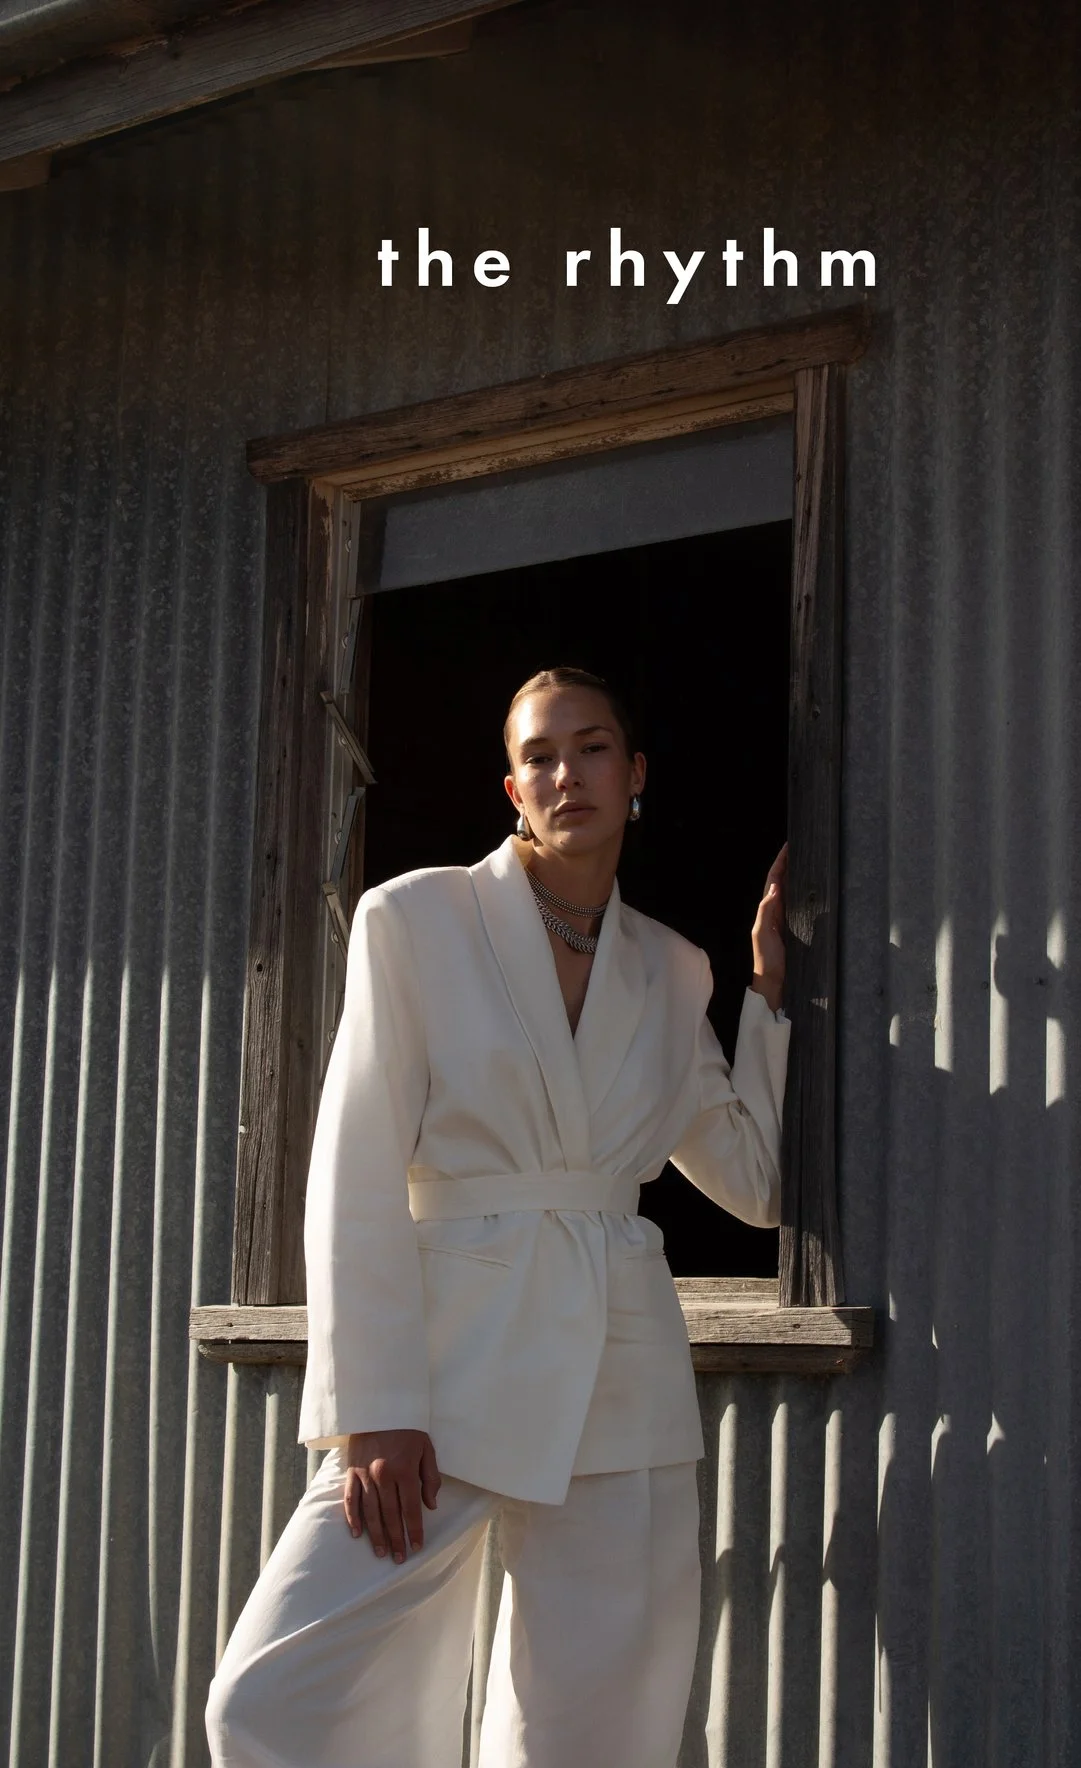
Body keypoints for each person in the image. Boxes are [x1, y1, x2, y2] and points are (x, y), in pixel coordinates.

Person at [207, 667, 792, 1765]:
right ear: (511, 787)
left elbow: (753, 1183)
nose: (568, 772)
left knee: (590, 1730)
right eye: (540, 755)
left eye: (595, 746)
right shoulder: (418, 918)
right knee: (272, 1697)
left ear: (636, 776)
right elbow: (358, 1158)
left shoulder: (673, 971)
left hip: (620, 1376)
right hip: (444, 1376)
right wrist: (372, 1404)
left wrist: (765, 994)